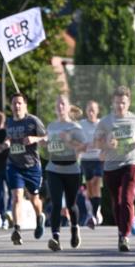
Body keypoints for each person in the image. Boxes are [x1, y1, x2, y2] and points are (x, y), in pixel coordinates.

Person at [95, 86, 135, 253]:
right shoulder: (105, 122)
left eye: (123, 103)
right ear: (112, 102)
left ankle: (124, 236)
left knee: (126, 198)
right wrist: (106, 144)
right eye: (117, 103)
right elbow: (96, 143)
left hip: (130, 162)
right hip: (111, 166)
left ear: (129, 103)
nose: (120, 106)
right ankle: (123, 228)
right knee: (116, 202)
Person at [4, 92, 47, 245]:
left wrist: (35, 138)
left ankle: (40, 216)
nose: (16, 106)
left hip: (32, 166)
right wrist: (5, 144)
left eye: (19, 103)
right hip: (14, 165)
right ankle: (17, 229)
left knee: (34, 198)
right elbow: (8, 138)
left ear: (25, 105)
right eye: (14, 103)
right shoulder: (8, 122)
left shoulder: (33, 121)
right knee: (16, 196)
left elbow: (46, 139)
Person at [44, 94, 86, 251]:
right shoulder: (51, 126)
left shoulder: (76, 127)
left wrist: (68, 139)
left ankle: (74, 228)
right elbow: (50, 147)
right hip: (54, 169)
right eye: (58, 104)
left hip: (72, 170)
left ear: (68, 108)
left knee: (71, 204)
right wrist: (45, 143)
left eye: (63, 104)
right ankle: (55, 237)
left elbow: (83, 147)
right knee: (55, 204)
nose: (60, 107)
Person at [79, 99, 103, 228]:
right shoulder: (81, 124)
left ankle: (96, 211)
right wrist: (82, 146)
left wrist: (99, 144)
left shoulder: (101, 124)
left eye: (93, 109)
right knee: (89, 188)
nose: (91, 112)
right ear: (86, 111)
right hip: (85, 159)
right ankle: (93, 213)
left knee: (96, 183)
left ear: (97, 111)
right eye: (89, 110)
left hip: (98, 159)